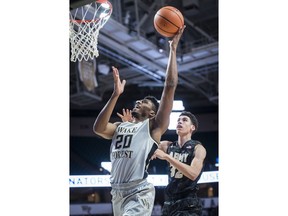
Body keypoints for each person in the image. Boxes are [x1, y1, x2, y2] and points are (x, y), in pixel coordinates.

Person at [93, 26, 186, 216]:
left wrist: (173, 49)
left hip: (138, 191)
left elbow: (169, 86)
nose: (138, 102)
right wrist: (115, 95)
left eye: (144, 102)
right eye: (139, 100)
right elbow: (98, 128)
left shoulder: (153, 127)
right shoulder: (120, 126)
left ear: (152, 113)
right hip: (116, 193)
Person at [153, 111, 206, 216]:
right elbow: (144, 147)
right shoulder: (166, 145)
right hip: (169, 203)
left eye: (184, 120)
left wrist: (167, 157)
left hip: (189, 203)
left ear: (192, 128)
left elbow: (193, 174)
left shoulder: (198, 148)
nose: (180, 122)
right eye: (178, 120)